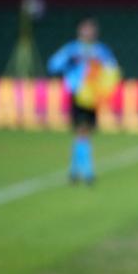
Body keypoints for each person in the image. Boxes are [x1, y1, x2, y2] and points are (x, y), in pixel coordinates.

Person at [46, 18, 118, 185]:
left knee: (85, 133)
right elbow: (53, 64)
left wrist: (104, 83)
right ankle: (87, 171)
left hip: (92, 97)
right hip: (77, 95)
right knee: (81, 131)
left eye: (91, 29)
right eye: (85, 29)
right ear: (79, 31)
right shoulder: (72, 49)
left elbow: (113, 69)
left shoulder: (101, 51)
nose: (88, 32)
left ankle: (74, 170)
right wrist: (69, 64)